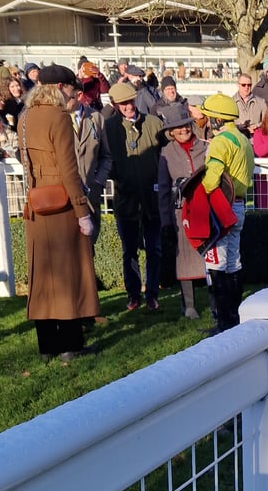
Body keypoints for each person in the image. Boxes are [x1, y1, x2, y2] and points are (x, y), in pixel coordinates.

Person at [18, 64, 100, 362]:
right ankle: (70, 345)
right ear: (60, 88)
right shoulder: (59, 117)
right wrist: (82, 211)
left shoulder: (24, 117)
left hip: (37, 203)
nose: (71, 92)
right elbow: (69, 169)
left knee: (43, 275)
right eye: (70, 87)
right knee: (68, 274)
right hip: (62, 202)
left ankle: (48, 346)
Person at [196, 93, 255, 332]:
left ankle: (223, 322)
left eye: (210, 117)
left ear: (218, 120)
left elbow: (211, 182)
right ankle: (233, 317)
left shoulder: (221, 142)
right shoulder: (242, 139)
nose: (208, 121)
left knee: (217, 263)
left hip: (222, 206)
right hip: (239, 205)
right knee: (233, 261)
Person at [104, 81, 165, 311]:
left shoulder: (153, 123)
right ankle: (133, 295)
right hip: (125, 198)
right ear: (115, 105)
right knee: (129, 250)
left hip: (152, 197)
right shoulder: (109, 127)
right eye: (123, 103)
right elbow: (105, 159)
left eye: (130, 101)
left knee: (154, 249)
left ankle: (152, 294)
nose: (128, 106)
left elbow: (164, 155)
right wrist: (118, 177)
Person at [156, 104, 209, 319]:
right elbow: (163, 190)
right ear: (171, 132)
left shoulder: (206, 147)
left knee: (210, 257)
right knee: (184, 260)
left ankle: (215, 300)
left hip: (204, 210)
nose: (183, 130)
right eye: (177, 128)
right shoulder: (166, 154)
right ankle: (189, 305)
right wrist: (166, 221)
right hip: (180, 213)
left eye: (185, 125)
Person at [67, 80, 113, 244]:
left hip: (90, 196)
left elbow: (106, 156)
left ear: (79, 95)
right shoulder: (58, 120)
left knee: (89, 248)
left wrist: (98, 181)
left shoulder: (96, 118)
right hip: (66, 196)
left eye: (66, 98)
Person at [231, 72, 267, 138]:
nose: (246, 87)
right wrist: (239, 127)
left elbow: (266, 122)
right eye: (243, 85)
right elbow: (227, 124)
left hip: (255, 140)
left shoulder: (261, 102)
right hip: (237, 140)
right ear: (238, 85)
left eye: (249, 85)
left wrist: (256, 127)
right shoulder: (230, 102)